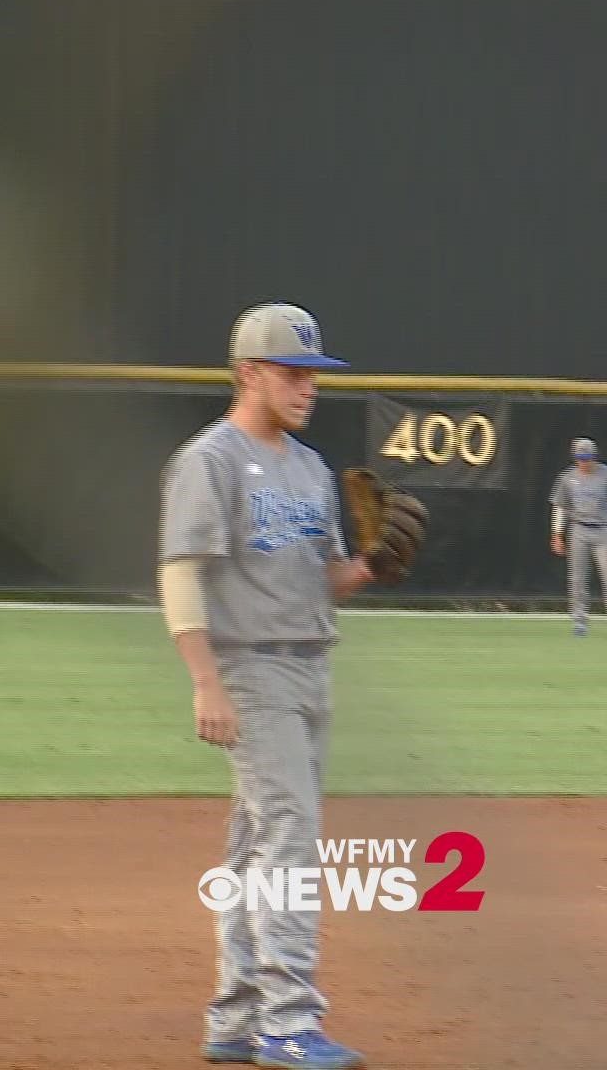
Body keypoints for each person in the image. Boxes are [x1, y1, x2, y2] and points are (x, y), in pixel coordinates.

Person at [158, 302, 374, 1069]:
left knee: (257, 845)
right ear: (248, 373)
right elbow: (181, 576)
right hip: (250, 671)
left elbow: (322, 580)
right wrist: (206, 683)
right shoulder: (209, 461)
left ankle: (236, 1015)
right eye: (292, 371)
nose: (308, 386)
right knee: (290, 838)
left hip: (311, 664)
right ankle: (288, 1020)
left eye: (314, 373)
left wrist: (368, 567)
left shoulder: (311, 468)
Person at [549, 437, 607, 637]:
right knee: (578, 577)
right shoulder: (567, 477)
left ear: (594, 456)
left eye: (587, 458)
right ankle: (580, 622)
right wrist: (557, 534)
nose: (584, 462)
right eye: (580, 458)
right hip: (579, 530)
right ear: (575, 458)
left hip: (603, 529)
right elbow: (560, 507)